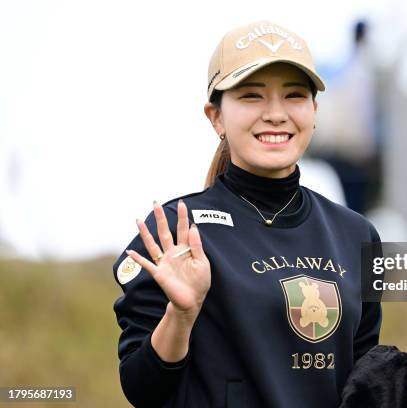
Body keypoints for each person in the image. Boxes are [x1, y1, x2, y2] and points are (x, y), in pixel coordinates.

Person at [112, 20, 383, 408]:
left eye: (293, 96)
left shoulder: (358, 236)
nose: (275, 114)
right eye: (252, 96)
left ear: (314, 110)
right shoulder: (173, 235)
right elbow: (142, 390)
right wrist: (181, 314)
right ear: (216, 116)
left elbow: (359, 374)